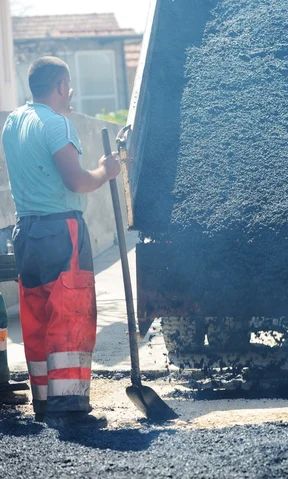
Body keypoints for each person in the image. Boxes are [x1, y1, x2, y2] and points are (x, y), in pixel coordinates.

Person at [0, 56, 121, 427]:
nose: (71, 93)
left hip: (26, 232)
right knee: (69, 312)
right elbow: (77, 182)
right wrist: (107, 170)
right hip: (61, 229)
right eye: (69, 86)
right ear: (62, 86)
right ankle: (69, 406)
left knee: (36, 315)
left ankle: (43, 400)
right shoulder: (56, 124)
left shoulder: (13, 123)